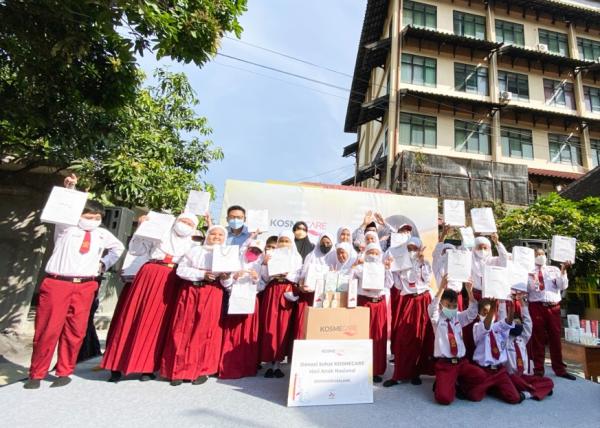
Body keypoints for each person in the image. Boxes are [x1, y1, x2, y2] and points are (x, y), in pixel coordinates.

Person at [24, 175, 124, 389]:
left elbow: (118, 249)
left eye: (97, 216)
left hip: (86, 285)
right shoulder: (66, 228)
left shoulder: (101, 234)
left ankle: (64, 370)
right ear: (80, 214)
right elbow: (65, 208)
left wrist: (103, 264)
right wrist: (70, 188)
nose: (93, 218)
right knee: (48, 329)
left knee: (75, 330)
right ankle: (37, 372)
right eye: (89, 214)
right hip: (58, 283)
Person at [101, 212, 198, 382]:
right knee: (134, 316)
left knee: (160, 323)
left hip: (174, 279)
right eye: (183, 221)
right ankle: (117, 364)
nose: (185, 225)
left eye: (190, 224)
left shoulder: (193, 246)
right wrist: (141, 229)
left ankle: (148, 366)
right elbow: (136, 250)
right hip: (151, 274)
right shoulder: (159, 233)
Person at [160, 225, 228, 386]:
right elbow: (181, 270)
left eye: (220, 235)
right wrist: (202, 274)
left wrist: (225, 276)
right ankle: (176, 369)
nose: (217, 237)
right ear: (208, 235)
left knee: (206, 330)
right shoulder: (194, 251)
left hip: (213, 292)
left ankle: (201, 369)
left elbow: (228, 282)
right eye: (213, 234)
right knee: (182, 328)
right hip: (191, 291)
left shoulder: (227, 254)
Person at [384, 237, 434, 387]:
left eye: (414, 248)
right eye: (409, 248)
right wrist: (389, 268)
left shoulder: (425, 263)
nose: (412, 251)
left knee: (421, 336)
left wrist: (421, 262)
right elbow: (397, 285)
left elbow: (426, 280)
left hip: (423, 300)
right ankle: (399, 374)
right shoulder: (401, 264)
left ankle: (415, 373)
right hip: (407, 301)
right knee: (402, 338)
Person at [428, 276, 486, 405]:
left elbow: (471, 313)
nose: (452, 308)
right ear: (442, 304)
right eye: (448, 305)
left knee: (480, 376)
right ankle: (443, 383)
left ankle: (458, 384)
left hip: (461, 363)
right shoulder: (437, 320)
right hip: (446, 364)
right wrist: (441, 288)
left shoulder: (457, 317)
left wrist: (470, 292)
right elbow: (432, 309)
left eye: (454, 306)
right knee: (444, 398)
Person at [259, 231, 303, 378]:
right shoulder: (272, 255)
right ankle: (269, 362)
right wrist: (265, 264)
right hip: (272, 291)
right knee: (269, 324)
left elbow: (298, 276)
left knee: (283, 326)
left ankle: (278, 362)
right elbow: (265, 278)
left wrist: (287, 275)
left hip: (286, 291)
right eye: (282, 241)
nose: (284, 244)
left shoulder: (296, 257)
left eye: (287, 241)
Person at [218, 240, 264, 379]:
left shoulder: (260, 266)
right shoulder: (235, 263)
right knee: (232, 333)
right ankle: (227, 365)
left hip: (250, 301)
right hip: (235, 300)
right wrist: (234, 277)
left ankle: (247, 366)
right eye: (251, 250)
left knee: (247, 334)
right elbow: (225, 284)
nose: (253, 254)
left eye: (257, 251)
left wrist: (256, 279)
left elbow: (262, 286)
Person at [527, 248, 575, 380]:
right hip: (537, 306)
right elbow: (527, 289)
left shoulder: (553, 269)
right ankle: (538, 370)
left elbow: (562, 286)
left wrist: (563, 270)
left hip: (553, 307)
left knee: (555, 337)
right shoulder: (528, 271)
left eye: (542, 254)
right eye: (537, 254)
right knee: (538, 339)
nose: (540, 256)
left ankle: (559, 369)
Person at [464, 233, 508, 359]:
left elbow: (504, 259)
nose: (482, 251)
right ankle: (472, 356)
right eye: (479, 248)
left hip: (490, 297)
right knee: (472, 327)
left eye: (485, 248)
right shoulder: (470, 260)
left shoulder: (493, 261)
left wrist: (497, 242)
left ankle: (490, 355)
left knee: (491, 326)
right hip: (475, 295)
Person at [471, 299, 523, 404]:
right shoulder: (477, 327)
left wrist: (512, 309)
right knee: (475, 396)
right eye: (484, 312)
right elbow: (486, 326)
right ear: (479, 314)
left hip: (499, 371)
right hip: (484, 370)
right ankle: (490, 387)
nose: (488, 314)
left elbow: (507, 323)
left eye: (490, 312)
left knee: (515, 398)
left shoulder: (497, 326)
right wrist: (492, 309)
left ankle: (494, 388)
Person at [353, 243, 391, 383]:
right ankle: (361, 369)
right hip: (364, 303)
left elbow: (389, 284)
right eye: (370, 252)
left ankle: (376, 370)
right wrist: (355, 264)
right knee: (363, 336)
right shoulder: (359, 268)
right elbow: (349, 280)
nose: (373, 255)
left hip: (379, 304)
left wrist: (387, 269)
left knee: (378, 338)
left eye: (376, 253)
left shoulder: (383, 268)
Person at [504, 294, 554, 400]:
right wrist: (502, 302)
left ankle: (527, 393)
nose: (517, 325)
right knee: (512, 381)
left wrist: (523, 304)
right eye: (514, 323)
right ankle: (534, 390)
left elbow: (528, 323)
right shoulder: (504, 339)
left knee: (548, 382)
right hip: (512, 376)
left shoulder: (523, 339)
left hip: (525, 376)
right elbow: (502, 320)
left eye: (519, 323)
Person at [293, 233, 334, 343]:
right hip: (309, 296)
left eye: (328, 243)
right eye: (323, 243)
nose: (325, 245)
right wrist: (301, 286)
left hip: (326, 299)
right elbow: (302, 276)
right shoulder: (311, 256)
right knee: (304, 324)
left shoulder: (334, 256)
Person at [433, 225, 463, 310]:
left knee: (457, 321)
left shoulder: (459, 265)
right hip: (443, 297)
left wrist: (463, 233)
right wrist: (443, 235)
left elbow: (465, 251)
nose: (447, 253)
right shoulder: (437, 264)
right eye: (445, 251)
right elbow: (436, 252)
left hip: (457, 297)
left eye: (450, 251)